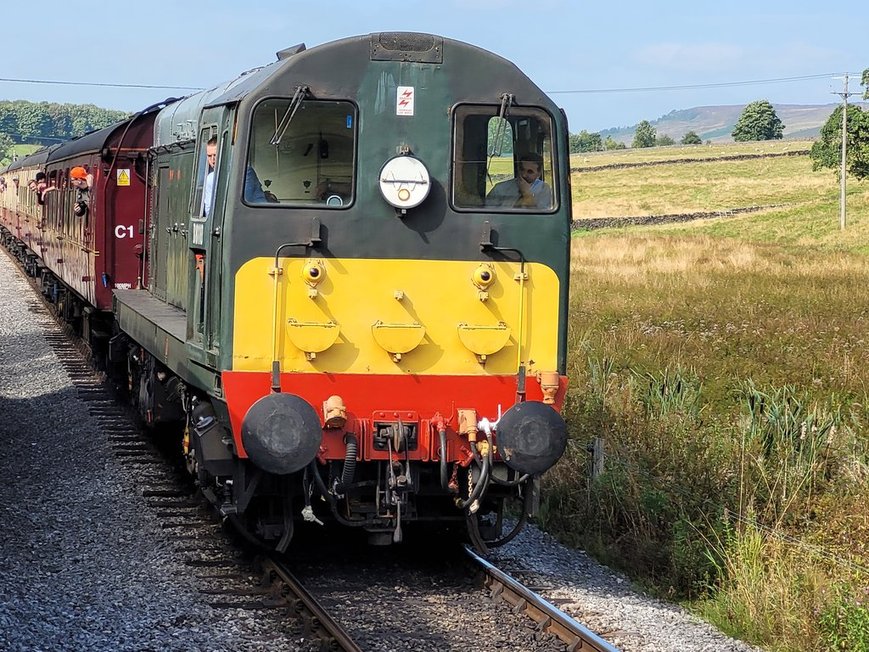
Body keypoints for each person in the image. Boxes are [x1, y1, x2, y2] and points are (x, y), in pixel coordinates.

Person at [486, 152, 552, 209]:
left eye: (530, 172)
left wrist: (526, 194)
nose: (524, 175)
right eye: (522, 169)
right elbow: (488, 213)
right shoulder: (500, 188)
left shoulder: (544, 189)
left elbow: (541, 216)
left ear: (539, 173)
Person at [201, 137, 217, 217]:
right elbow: (208, 208)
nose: (213, 159)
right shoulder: (210, 178)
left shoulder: (247, 172)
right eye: (209, 156)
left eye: (215, 155)